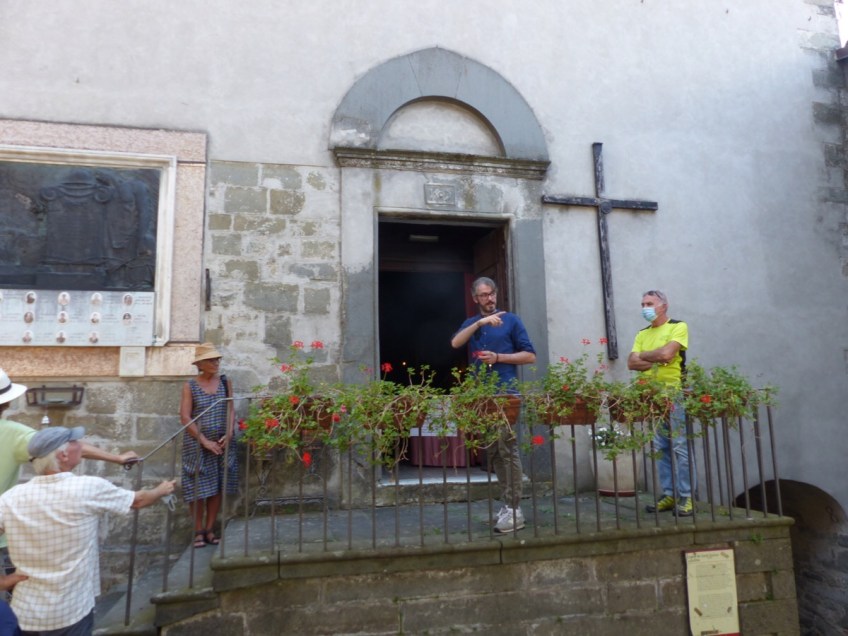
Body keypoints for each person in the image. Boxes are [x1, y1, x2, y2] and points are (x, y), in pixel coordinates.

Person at [0, 426, 175, 635]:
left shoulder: (10, 498)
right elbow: (138, 500)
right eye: (75, 442)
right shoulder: (87, 488)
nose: (81, 446)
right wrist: (161, 490)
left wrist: (3, 582)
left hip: (26, 613)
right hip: (71, 612)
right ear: (63, 455)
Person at [0, 369, 138, 580]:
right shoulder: (12, 432)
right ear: (7, 403)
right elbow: (59, 446)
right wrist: (116, 458)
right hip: (4, 534)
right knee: (18, 587)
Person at [450, 277, 536, 533]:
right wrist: (480, 323)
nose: (489, 299)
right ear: (475, 298)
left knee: (507, 449)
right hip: (483, 395)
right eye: (483, 295)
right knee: (495, 452)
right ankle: (507, 505)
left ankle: (515, 510)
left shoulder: (512, 320)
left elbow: (530, 355)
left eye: (492, 294)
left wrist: (498, 357)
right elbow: (455, 343)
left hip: (505, 393)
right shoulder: (472, 323)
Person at [627, 289, 694, 517]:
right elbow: (632, 363)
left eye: (650, 304)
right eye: (643, 304)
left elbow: (668, 355)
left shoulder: (678, 326)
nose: (645, 308)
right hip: (652, 395)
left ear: (664, 306)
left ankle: (686, 496)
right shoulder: (642, 333)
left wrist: (646, 355)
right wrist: (658, 356)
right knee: (660, 446)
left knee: (680, 446)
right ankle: (669, 494)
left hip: (674, 392)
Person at [180, 342, 238, 548]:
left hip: (222, 443)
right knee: (196, 487)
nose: (216, 363)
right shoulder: (190, 386)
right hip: (197, 444)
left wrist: (229, 433)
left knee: (217, 486)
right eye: (211, 360)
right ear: (200, 364)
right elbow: (185, 417)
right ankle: (198, 531)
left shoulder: (225, 382)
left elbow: (231, 409)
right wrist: (204, 441)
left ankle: (210, 529)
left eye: (217, 360)